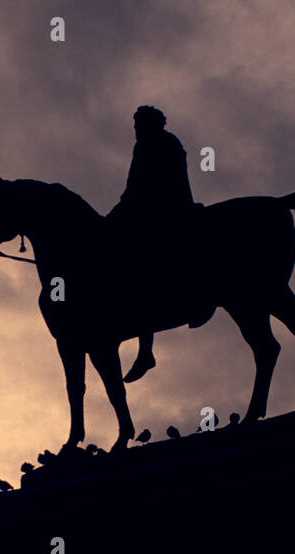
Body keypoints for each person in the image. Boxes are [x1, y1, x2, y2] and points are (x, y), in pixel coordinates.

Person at [105, 106, 198, 383]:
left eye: (139, 124)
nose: (135, 129)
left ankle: (145, 350)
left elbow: (141, 188)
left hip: (165, 214)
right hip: (153, 212)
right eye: (135, 125)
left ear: (152, 123)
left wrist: (118, 214)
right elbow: (134, 189)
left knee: (135, 268)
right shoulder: (149, 144)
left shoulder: (161, 143)